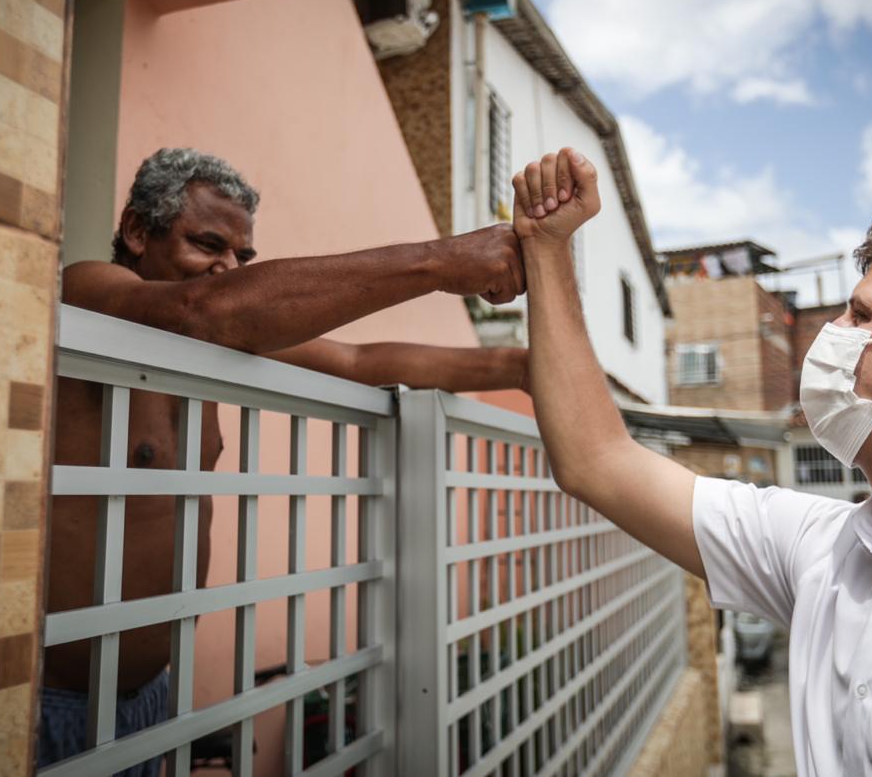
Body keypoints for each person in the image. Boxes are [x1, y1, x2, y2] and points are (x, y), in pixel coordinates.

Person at [512, 147, 872, 775]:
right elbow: (598, 460)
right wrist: (545, 248)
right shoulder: (826, 551)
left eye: (859, 315)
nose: (825, 335)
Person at [41, 148, 530, 773]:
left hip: (147, 701)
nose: (226, 268)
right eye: (207, 244)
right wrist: (439, 261)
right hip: (52, 703)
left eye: (242, 258)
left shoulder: (210, 341)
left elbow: (358, 362)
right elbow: (200, 313)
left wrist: (516, 367)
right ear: (137, 232)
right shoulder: (84, 289)